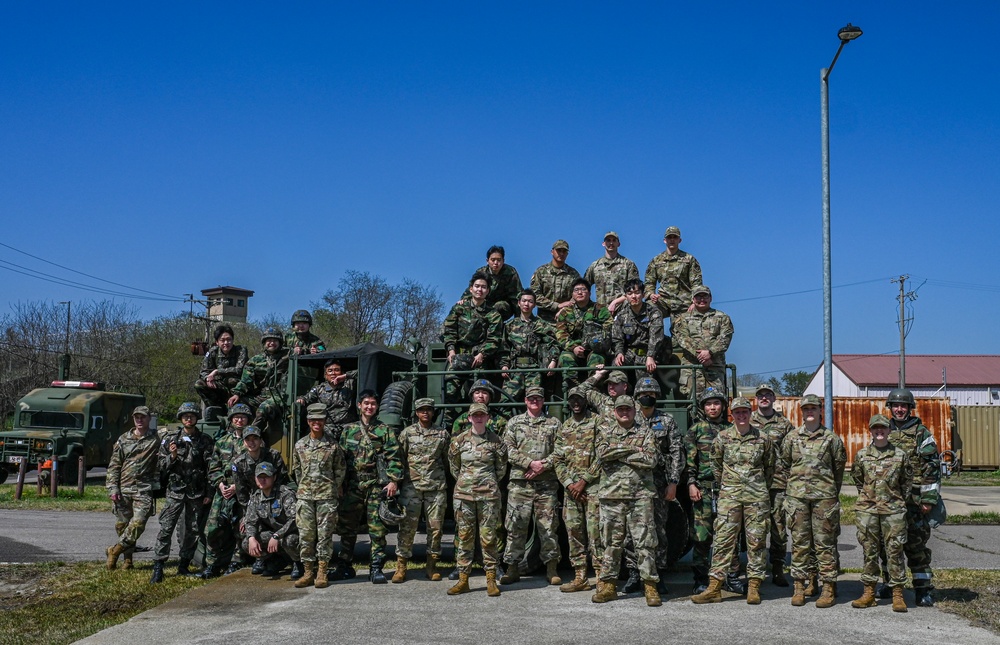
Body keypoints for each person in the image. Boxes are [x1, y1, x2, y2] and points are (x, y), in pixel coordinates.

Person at [691, 396, 775, 605]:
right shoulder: (722, 437)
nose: (741, 415)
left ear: (750, 413)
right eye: (737, 412)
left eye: (745, 411)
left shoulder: (763, 439)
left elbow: (770, 467)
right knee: (723, 541)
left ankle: (754, 586)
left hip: (756, 497)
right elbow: (716, 464)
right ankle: (714, 587)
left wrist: (756, 485)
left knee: (756, 542)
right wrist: (728, 485)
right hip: (730, 496)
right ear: (733, 415)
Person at [590, 396, 661, 607]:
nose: (624, 412)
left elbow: (651, 459)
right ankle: (609, 585)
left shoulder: (645, 431)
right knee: (611, 543)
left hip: (640, 496)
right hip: (612, 496)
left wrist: (619, 452)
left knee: (645, 542)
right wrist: (634, 449)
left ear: (633, 410)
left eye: (628, 409)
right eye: (620, 409)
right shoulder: (605, 431)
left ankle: (650, 586)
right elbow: (602, 454)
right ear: (614, 412)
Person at [780, 393, 847, 608]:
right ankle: (800, 586)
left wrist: (830, 491)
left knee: (824, 543)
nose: (810, 412)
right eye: (806, 409)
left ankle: (828, 587)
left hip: (824, 498)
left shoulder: (832, 439)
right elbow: (784, 464)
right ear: (802, 412)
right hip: (797, 498)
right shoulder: (791, 438)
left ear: (820, 411)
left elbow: (838, 469)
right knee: (799, 543)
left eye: (813, 408)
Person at [336, 390, 404, 584]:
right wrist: (340, 484)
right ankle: (344, 566)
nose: (369, 407)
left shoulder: (385, 430)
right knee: (347, 527)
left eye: (373, 404)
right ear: (359, 405)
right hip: (353, 486)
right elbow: (341, 460)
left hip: (376, 485)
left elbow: (394, 457)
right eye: (366, 403)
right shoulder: (348, 430)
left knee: (377, 529)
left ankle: (376, 568)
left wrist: (393, 481)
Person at [882, 387, 941, 607]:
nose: (899, 409)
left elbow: (932, 467)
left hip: (914, 502)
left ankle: (923, 589)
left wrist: (928, 500)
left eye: (903, 406)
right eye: (895, 405)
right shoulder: (883, 429)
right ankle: (890, 584)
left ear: (909, 408)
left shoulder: (920, 433)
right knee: (887, 546)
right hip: (888, 501)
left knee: (916, 547)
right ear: (890, 408)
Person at [500, 386, 563, 587]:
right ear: (525, 401)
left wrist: (542, 465)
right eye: (531, 398)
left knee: (548, 526)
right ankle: (512, 568)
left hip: (546, 484)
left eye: (538, 398)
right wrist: (529, 463)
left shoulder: (554, 424)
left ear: (543, 400)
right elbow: (507, 449)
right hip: (521, 483)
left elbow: (561, 451)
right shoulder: (514, 423)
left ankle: (551, 568)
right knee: (516, 525)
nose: (534, 401)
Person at [851, 414, 913, 613]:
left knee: (895, 551)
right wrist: (869, 497)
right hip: (868, 510)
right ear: (871, 430)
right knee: (869, 552)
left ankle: (897, 594)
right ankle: (869, 592)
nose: (880, 431)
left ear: (889, 430)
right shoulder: (861, 455)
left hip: (893, 510)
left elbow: (906, 483)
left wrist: (895, 501)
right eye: (876, 428)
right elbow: (858, 480)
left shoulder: (900, 455)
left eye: (883, 428)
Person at [447, 402, 508, 596]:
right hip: (464, 496)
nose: (479, 418)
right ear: (469, 418)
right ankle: (463, 579)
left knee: (489, 537)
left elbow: (501, 469)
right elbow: (454, 466)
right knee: (464, 537)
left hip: (488, 496)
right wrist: (468, 482)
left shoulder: (497, 442)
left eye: (482, 415)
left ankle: (490, 578)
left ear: (488, 417)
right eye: (475, 415)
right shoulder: (459, 441)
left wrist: (486, 483)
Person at [151, 402, 215, 583]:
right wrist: (171, 456)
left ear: (196, 419)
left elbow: (211, 468)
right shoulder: (171, 439)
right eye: (186, 416)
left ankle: (184, 565)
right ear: (181, 418)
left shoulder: (205, 440)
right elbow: (161, 466)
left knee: (193, 530)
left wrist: (209, 492)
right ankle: (159, 567)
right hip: (175, 492)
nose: (189, 419)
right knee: (166, 528)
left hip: (196, 492)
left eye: (192, 416)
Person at [393, 398, 450, 583]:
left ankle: (431, 565)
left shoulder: (442, 434)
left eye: (428, 410)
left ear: (433, 412)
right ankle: (401, 566)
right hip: (412, 488)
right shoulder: (407, 433)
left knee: (436, 528)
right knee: (407, 527)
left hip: (436, 488)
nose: (425, 413)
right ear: (416, 413)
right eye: (421, 410)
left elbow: (447, 459)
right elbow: (400, 458)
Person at [635, 377, 682, 594]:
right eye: (644, 393)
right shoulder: (628, 418)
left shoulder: (667, 420)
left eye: (652, 394)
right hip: (632, 485)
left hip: (659, 484)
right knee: (633, 531)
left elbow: (675, 453)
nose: (648, 397)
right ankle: (635, 573)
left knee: (658, 531)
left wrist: (673, 483)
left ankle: (658, 573)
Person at [552, 386, 602, 592]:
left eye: (579, 399)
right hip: (571, 492)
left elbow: (603, 455)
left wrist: (584, 481)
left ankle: (601, 577)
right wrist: (570, 483)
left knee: (596, 534)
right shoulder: (565, 428)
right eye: (572, 400)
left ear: (585, 401)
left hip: (593, 489)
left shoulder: (597, 422)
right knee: (574, 533)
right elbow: (557, 459)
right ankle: (580, 576)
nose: (575, 403)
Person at [292, 403, 347, 589]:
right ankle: (308, 571)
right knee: (306, 535)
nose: (317, 422)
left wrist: (333, 487)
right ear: (308, 421)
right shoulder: (300, 445)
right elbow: (297, 470)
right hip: (305, 497)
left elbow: (340, 469)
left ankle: (322, 571)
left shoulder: (332, 445)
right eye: (313, 419)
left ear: (324, 421)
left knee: (325, 535)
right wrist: (304, 487)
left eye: (320, 419)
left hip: (326, 496)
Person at [683, 388, 730, 594]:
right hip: (703, 488)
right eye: (708, 404)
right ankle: (700, 578)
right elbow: (689, 461)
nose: (713, 407)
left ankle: (726, 577)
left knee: (727, 536)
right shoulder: (696, 430)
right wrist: (691, 484)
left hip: (727, 490)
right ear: (703, 407)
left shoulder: (731, 429)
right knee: (701, 536)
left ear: (722, 406)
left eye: (716, 403)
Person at [442, 272, 503, 422]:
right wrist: (451, 350)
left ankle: (482, 425)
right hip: (458, 358)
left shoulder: (493, 314)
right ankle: (450, 426)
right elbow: (449, 330)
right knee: (449, 391)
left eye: (483, 287)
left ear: (488, 291)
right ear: (470, 289)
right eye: (477, 286)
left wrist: (482, 354)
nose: (479, 290)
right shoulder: (459, 308)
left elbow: (494, 338)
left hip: (480, 359)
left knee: (481, 394)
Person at [105, 405, 160, 571]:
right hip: (123, 489)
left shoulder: (156, 439)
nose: (140, 420)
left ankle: (114, 551)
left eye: (143, 417)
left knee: (137, 524)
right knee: (122, 525)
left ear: (149, 419)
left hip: (143, 490)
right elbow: (114, 466)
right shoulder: (123, 439)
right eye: (137, 417)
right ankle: (128, 560)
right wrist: (113, 489)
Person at [201, 403, 252, 579]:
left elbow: (257, 469)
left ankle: (236, 562)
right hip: (222, 492)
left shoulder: (252, 442)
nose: (239, 420)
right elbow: (213, 468)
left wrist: (236, 487)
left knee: (240, 529)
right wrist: (221, 485)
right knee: (213, 529)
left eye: (243, 417)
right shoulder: (222, 442)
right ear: (231, 420)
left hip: (243, 492)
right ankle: (212, 565)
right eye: (236, 417)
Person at [751, 384, 795, 587]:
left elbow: (792, 453)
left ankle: (778, 569)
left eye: (768, 394)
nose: (764, 398)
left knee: (778, 527)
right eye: (760, 395)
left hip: (778, 483)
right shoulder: (747, 420)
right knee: (756, 528)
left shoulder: (784, 424)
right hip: (754, 483)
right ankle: (756, 571)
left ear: (773, 398)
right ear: (756, 399)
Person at [228, 327, 290, 440]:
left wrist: (300, 350)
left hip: (280, 395)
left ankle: (251, 437)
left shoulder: (288, 355)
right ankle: (232, 437)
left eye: (275, 341)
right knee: (238, 405)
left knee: (263, 408)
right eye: (269, 340)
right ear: (264, 343)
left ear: (280, 343)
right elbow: (246, 380)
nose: (272, 343)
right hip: (261, 395)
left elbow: (304, 354)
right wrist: (237, 394)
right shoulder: (255, 360)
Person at [500, 289, 558, 407]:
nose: (526, 304)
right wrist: (504, 365)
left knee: (534, 402)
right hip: (514, 370)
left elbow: (552, 344)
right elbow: (504, 347)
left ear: (535, 305)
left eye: (530, 301)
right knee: (505, 403)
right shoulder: (510, 325)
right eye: (524, 301)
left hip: (534, 370)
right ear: (519, 303)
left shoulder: (541, 324)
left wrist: (553, 361)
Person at [672, 286, 733, 399]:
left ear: (711, 298)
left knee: (716, 401)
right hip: (692, 368)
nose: (702, 299)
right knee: (692, 402)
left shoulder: (722, 318)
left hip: (714, 367)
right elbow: (683, 339)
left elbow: (725, 338)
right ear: (693, 299)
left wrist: (710, 353)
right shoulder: (683, 319)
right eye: (698, 297)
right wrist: (701, 356)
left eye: (705, 296)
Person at [243, 462, 301, 579]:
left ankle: (298, 563)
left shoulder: (285, 494)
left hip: (291, 533)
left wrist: (277, 536)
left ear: (274, 477)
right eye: (260, 477)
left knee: (289, 540)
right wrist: (251, 538)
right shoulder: (256, 496)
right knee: (246, 543)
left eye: (266, 477)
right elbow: (250, 521)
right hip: (274, 536)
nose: (262, 480)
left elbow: (294, 519)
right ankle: (276, 560)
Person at [642, 225, 703, 329]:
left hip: (683, 303)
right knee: (648, 309)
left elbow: (696, 284)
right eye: (669, 237)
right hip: (663, 301)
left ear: (680, 240)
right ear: (664, 240)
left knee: (681, 336)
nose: (672, 240)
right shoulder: (656, 261)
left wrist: (695, 303)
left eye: (675, 237)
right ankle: (654, 342)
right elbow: (649, 283)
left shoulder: (689, 259)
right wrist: (651, 294)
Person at [612, 278, 668, 390]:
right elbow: (617, 337)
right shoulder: (622, 315)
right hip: (629, 353)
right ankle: (620, 401)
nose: (634, 296)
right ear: (626, 296)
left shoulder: (654, 312)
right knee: (616, 366)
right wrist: (619, 353)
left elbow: (656, 337)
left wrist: (650, 356)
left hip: (648, 353)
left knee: (646, 386)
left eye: (637, 293)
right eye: (630, 293)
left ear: (642, 295)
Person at [556, 278, 611, 390]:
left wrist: (594, 346)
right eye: (576, 290)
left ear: (590, 293)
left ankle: (593, 393)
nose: (580, 292)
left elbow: (609, 329)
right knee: (565, 358)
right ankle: (574, 393)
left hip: (594, 349)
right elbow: (561, 334)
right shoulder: (566, 312)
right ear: (572, 294)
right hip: (573, 350)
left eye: (583, 289)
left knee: (597, 358)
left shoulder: (600, 309)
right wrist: (574, 347)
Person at [296, 359, 358, 440]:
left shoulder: (350, 384)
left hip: (348, 427)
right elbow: (306, 398)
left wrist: (346, 376)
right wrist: (301, 399)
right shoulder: (319, 389)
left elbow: (364, 371)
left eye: (337, 370)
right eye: (330, 371)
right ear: (325, 375)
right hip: (328, 428)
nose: (333, 373)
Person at [457, 245, 523, 320]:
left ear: (503, 261)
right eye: (493, 260)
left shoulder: (510, 272)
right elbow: (472, 290)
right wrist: (463, 300)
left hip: (504, 307)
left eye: (499, 260)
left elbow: (517, 296)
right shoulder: (481, 272)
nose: (496, 263)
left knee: (500, 306)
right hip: (484, 305)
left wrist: (519, 319)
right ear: (487, 261)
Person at [583, 231, 640, 313]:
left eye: (614, 240)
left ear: (618, 244)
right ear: (603, 243)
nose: (611, 243)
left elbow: (635, 290)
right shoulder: (595, 266)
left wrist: (615, 302)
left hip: (623, 310)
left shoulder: (628, 264)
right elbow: (583, 287)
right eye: (608, 240)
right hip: (601, 312)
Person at [195, 324, 249, 409]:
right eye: (222, 340)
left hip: (238, 387)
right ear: (217, 342)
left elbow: (239, 369)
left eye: (229, 340)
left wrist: (217, 371)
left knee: (231, 380)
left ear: (233, 340)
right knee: (199, 384)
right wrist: (207, 379)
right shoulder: (213, 352)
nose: (226, 343)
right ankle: (216, 408)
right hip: (219, 386)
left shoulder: (241, 350)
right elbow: (203, 371)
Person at [530, 239, 581, 323]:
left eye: (564, 251)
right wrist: (556, 305)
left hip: (567, 319)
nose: (561, 253)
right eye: (558, 251)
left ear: (567, 254)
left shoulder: (573, 274)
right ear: (552, 252)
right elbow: (535, 296)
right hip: (544, 321)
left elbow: (578, 296)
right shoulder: (541, 271)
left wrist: (564, 309)